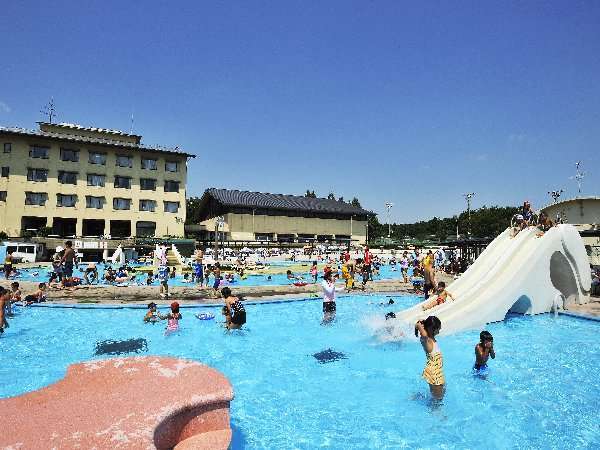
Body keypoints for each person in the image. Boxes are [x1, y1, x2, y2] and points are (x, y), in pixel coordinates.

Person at [415, 316, 445, 399]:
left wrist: (424, 323)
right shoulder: (426, 340)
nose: (439, 332)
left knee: (441, 394)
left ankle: (418, 397)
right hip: (434, 373)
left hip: (438, 372)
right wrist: (418, 325)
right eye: (438, 329)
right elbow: (422, 331)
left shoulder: (431, 339)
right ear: (432, 329)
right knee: (437, 401)